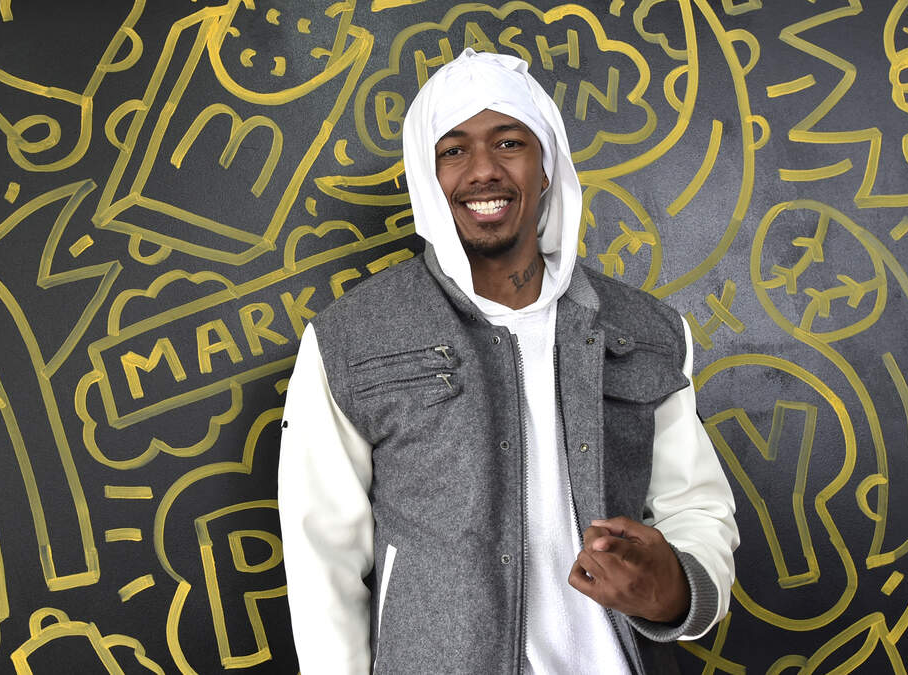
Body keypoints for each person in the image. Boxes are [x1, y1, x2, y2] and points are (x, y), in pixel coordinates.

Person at [277, 49, 738, 674]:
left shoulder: (646, 330)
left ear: (546, 165)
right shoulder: (348, 338)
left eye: (509, 143)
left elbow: (699, 509)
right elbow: (322, 560)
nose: (483, 170)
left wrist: (679, 589)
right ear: (426, 175)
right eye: (453, 150)